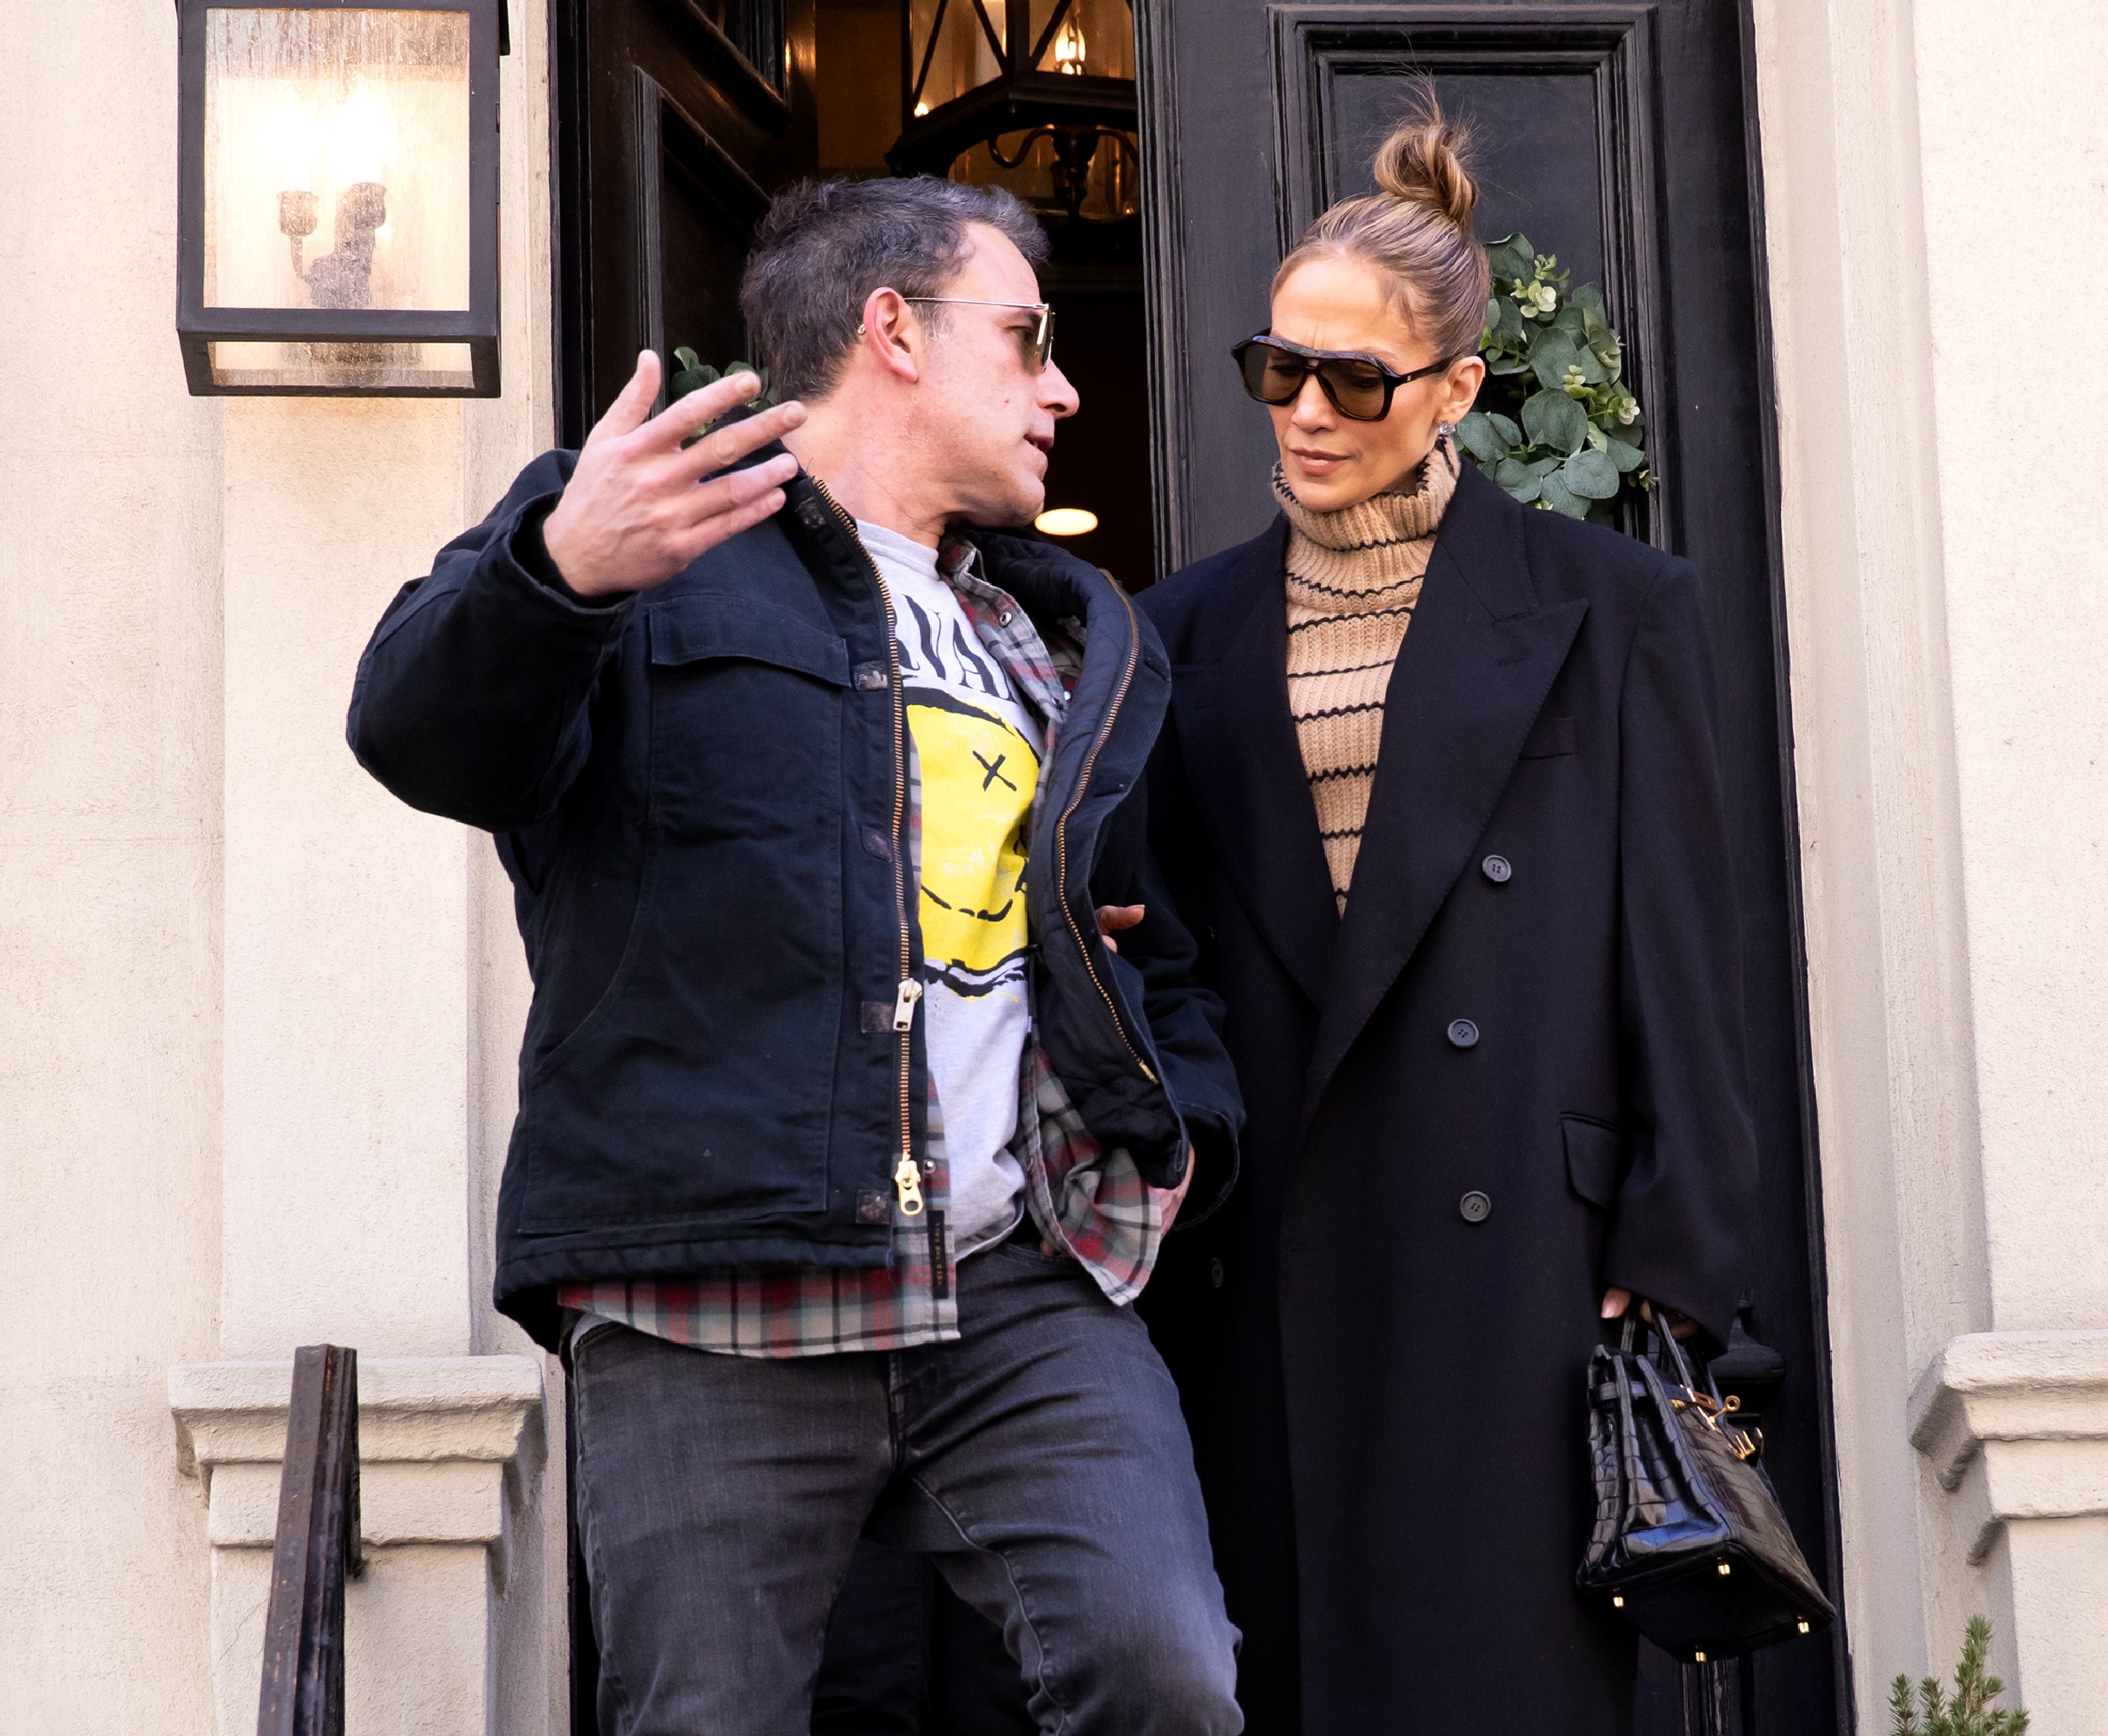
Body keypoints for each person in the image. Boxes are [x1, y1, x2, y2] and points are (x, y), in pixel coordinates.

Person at [345, 175, 1245, 1736]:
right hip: (718, 1290)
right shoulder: (645, 526)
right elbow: (416, 736)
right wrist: (553, 570)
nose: (1064, 384)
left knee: (1164, 1672)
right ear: (893, 331)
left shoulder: (1050, 633)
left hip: (1013, 1281)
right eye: (1024, 337)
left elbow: (1136, 946)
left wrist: (1181, 1138)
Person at [1130, 108, 1763, 1736]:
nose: (1311, 415)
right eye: (1281, 372)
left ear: (1459, 391)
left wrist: (1675, 1250)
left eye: (1358, 382)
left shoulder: (1610, 609)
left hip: (1530, 1273)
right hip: (1268, 1251)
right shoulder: (1175, 632)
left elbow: (1683, 950)